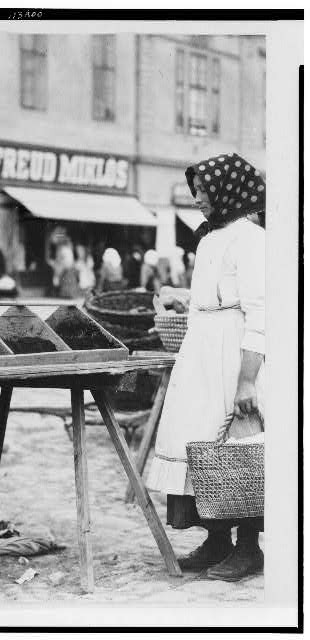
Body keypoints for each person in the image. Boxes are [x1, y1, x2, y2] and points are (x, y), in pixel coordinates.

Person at [147, 152, 266, 582]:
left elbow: (260, 312)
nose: (196, 198)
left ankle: (250, 547)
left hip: (234, 353)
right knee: (196, 441)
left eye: (203, 191)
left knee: (239, 446)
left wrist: (247, 379)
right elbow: (211, 296)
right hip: (201, 349)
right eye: (195, 190)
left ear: (225, 191)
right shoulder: (209, 237)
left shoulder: (252, 240)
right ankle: (217, 539)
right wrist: (183, 295)